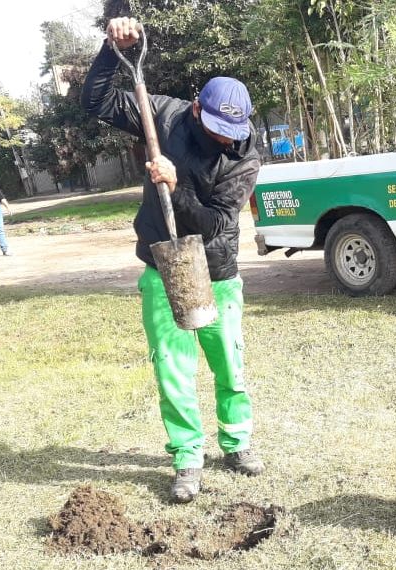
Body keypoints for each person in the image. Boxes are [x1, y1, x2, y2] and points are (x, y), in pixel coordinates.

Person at [82, 16, 264, 504]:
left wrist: (176, 185)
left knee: (229, 365)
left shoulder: (245, 157)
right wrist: (111, 48)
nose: (226, 138)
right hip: (162, 267)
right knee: (173, 368)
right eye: (217, 128)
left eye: (234, 130)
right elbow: (95, 101)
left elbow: (217, 224)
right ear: (197, 109)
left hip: (217, 270)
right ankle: (187, 456)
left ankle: (237, 443)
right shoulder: (162, 115)